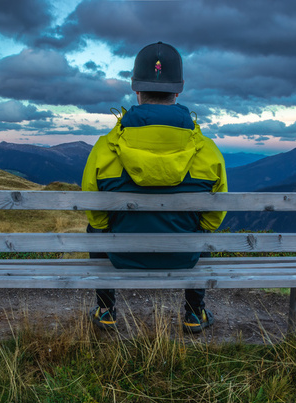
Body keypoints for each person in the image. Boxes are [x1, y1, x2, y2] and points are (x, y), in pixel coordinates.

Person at [81, 41, 227, 333]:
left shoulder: (105, 148)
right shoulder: (207, 151)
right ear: (178, 91)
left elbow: (95, 215)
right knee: (203, 231)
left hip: (121, 255)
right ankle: (194, 315)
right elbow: (214, 218)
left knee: (94, 230)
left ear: (136, 90)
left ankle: (106, 311)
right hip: (185, 256)